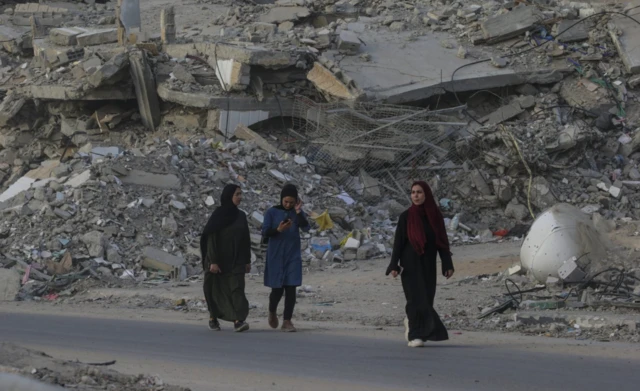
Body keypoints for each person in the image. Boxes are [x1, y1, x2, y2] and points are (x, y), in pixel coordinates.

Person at [385, 181, 455, 347]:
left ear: (427, 195)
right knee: (415, 299)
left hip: (428, 264)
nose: (415, 195)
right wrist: (394, 265)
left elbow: (442, 242)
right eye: (413, 192)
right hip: (409, 265)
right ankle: (415, 335)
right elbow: (398, 244)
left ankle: (415, 327)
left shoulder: (435, 216)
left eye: (419, 192)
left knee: (427, 298)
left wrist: (447, 264)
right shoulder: (406, 217)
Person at [200, 184, 251, 333]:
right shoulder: (219, 215)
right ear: (229, 196)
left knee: (237, 289)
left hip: (236, 260)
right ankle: (213, 317)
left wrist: (247, 260)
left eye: (241, 194)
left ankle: (238, 321)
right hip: (218, 260)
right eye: (237, 194)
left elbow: (245, 239)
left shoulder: (241, 216)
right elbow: (211, 239)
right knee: (215, 289)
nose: (240, 197)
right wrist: (213, 261)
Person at [262, 184, 310, 332]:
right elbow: (265, 233)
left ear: (296, 201)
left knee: (291, 288)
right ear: (281, 199)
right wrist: (278, 230)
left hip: (292, 255)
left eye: (291, 202)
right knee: (277, 289)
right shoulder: (272, 212)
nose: (288, 204)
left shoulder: (297, 213)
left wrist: (298, 212)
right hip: (276, 255)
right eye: (285, 201)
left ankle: (287, 321)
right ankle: (272, 311)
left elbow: (306, 227)